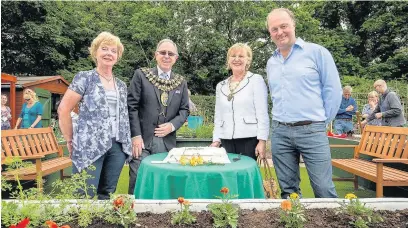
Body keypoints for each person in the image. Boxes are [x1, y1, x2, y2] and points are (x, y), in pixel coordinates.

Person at [266, 8, 342, 198]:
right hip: (280, 132)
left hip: (312, 131)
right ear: (270, 33)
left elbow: (333, 91)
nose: (280, 32)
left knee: (324, 189)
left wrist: (321, 122)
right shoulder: (271, 62)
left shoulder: (317, 53)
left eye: (284, 26)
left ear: (293, 25)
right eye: (274, 29)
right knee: (289, 192)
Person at [58, 32, 132, 199]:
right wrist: (70, 139)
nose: (109, 53)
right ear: (95, 52)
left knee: (106, 194)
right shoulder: (85, 78)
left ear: (117, 56)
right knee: (84, 193)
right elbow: (64, 109)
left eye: (113, 51)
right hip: (89, 144)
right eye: (104, 49)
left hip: (117, 145)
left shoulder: (121, 85)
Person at [127, 39, 189, 195]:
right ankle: (132, 214)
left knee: (163, 183)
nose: (166, 56)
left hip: (166, 141)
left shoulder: (180, 82)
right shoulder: (141, 75)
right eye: (163, 52)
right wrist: (135, 136)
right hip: (142, 141)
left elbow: (184, 110)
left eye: (170, 53)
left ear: (176, 58)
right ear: (156, 55)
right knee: (138, 179)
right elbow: (131, 106)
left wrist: (172, 126)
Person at [210, 43, 269, 160]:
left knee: (245, 176)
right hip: (226, 139)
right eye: (233, 56)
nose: (237, 59)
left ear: (248, 60)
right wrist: (216, 140)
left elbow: (262, 113)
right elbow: (218, 115)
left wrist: (262, 141)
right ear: (228, 60)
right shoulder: (220, 86)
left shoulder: (255, 80)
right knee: (228, 176)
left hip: (249, 138)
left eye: (241, 56)